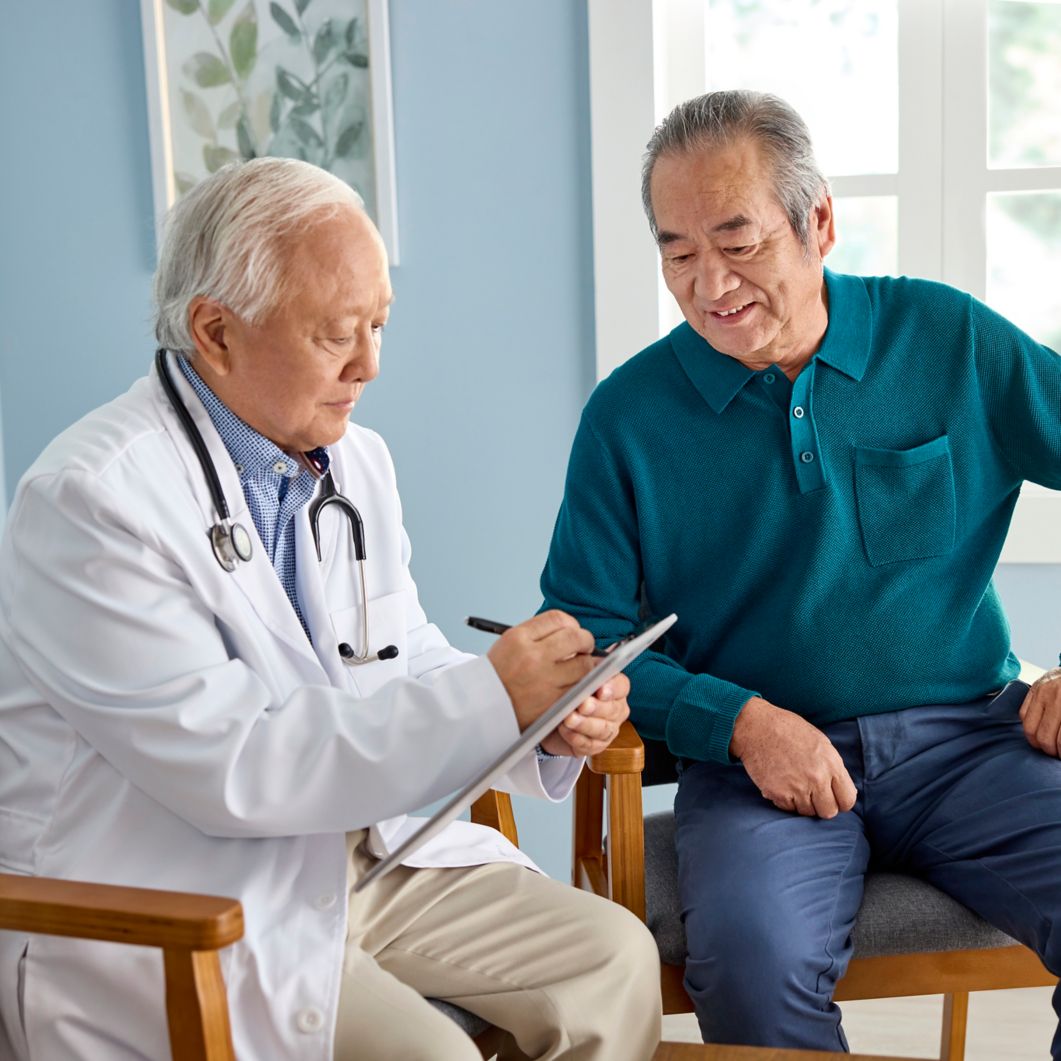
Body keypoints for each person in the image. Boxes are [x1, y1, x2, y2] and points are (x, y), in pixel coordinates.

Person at [0, 157, 662, 1061]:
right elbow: (232, 765)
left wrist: (539, 718)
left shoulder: (353, 460)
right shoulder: (89, 501)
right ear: (215, 331)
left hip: (363, 857)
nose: (370, 364)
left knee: (613, 960)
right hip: (183, 895)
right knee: (431, 1054)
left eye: (380, 325)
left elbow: (398, 657)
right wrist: (486, 700)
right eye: (335, 334)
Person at [540, 89, 1061, 1053]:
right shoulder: (628, 417)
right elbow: (582, 641)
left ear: (816, 221)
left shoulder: (947, 339)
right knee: (752, 964)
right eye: (677, 252)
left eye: (738, 242)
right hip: (755, 767)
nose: (709, 284)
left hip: (970, 743)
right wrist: (734, 721)